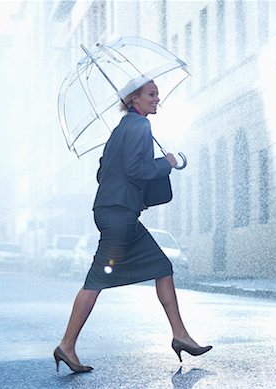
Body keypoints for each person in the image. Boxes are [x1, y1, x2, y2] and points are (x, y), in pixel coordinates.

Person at [53, 78, 212, 373]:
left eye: (157, 95)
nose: (156, 100)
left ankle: (180, 335)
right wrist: (167, 163)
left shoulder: (119, 130)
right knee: (96, 280)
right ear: (134, 99)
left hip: (112, 210)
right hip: (120, 214)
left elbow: (104, 172)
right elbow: (135, 168)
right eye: (151, 95)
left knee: (162, 266)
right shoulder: (140, 127)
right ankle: (67, 344)